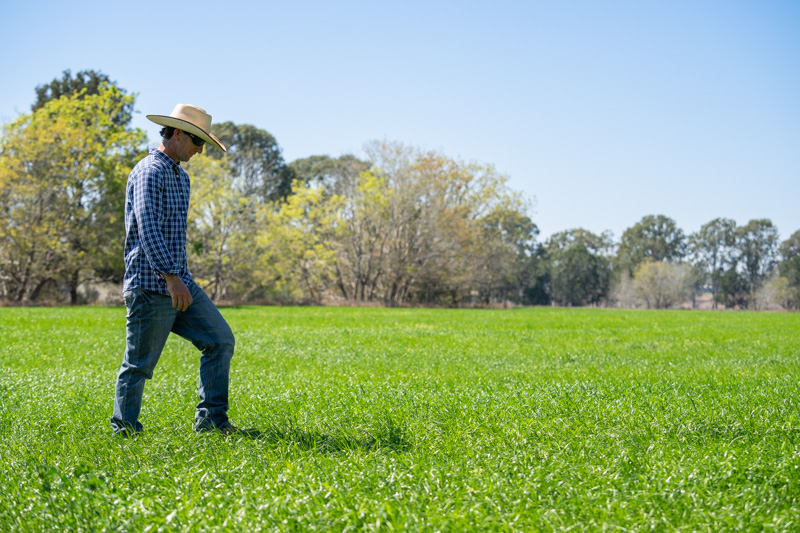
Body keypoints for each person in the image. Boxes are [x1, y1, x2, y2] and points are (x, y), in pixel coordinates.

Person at [111, 104, 248, 436]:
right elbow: (148, 229)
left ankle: (212, 422)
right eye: (197, 142)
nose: (200, 150)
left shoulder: (181, 177)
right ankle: (124, 432)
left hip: (179, 282)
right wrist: (171, 277)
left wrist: (179, 278)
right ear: (179, 133)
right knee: (138, 366)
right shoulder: (149, 171)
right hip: (151, 285)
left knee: (219, 340)